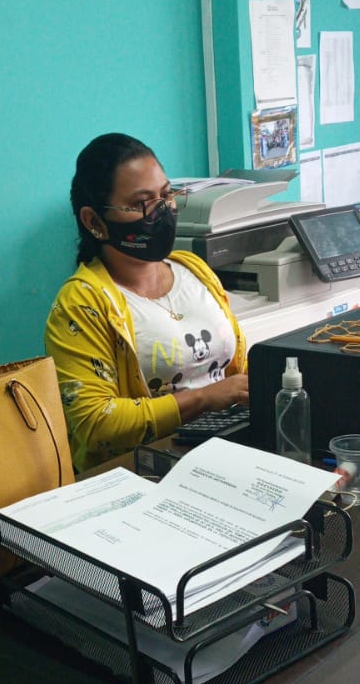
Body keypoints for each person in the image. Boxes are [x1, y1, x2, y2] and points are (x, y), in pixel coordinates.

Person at [44, 132, 249, 472]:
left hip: (222, 451)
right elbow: (95, 424)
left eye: (166, 195)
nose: (163, 210)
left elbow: (236, 374)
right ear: (94, 221)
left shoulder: (193, 269)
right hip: (141, 470)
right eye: (143, 203)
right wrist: (203, 399)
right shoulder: (80, 303)